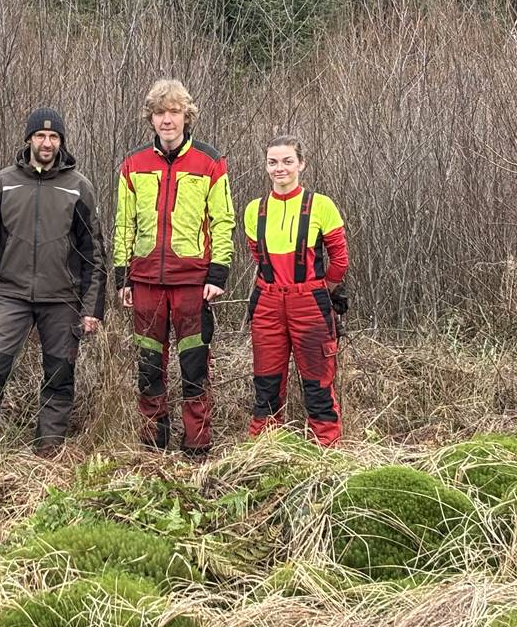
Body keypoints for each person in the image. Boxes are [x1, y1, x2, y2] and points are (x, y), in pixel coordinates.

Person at [0, 108, 107, 456]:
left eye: (54, 137)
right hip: (10, 295)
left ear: (61, 142)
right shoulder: (3, 182)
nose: (47, 143)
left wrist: (92, 308)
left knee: (59, 379)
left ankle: (47, 456)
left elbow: (94, 253)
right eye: (40, 136)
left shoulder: (78, 187)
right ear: (28, 139)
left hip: (62, 299)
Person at [113, 80, 235, 459]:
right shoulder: (133, 163)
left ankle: (197, 445)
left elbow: (223, 221)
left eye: (174, 112)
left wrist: (218, 274)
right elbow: (124, 223)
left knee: (195, 367)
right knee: (149, 367)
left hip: (193, 285)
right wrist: (122, 275)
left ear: (186, 115)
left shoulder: (210, 161)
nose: (167, 120)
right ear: (151, 117)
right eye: (160, 113)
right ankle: (153, 445)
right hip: (146, 282)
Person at [244, 134, 349, 447]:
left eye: (287, 161)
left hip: (310, 303)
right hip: (268, 303)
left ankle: (327, 452)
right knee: (266, 384)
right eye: (273, 162)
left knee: (318, 384)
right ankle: (263, 453)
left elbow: (340, 261)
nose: (280, 168)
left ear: (301, 164)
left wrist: (319, 290)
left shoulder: (321, 206)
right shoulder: (254, 210)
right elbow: (257, 257)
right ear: (266, 167)